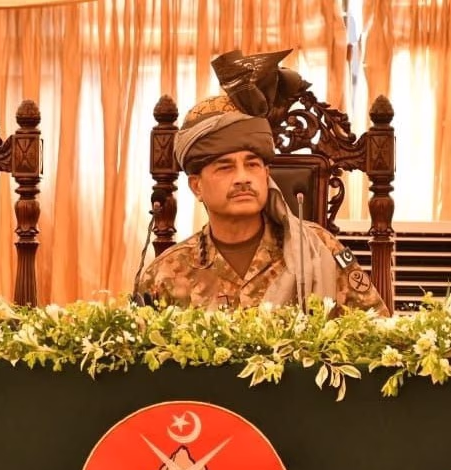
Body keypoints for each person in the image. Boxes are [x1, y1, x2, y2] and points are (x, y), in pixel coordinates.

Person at [136, 50, 387, 314]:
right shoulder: (165, 274)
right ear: (197, 186)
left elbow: (376, 329)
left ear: (266, 174)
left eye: (252, 165)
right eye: (225, 167)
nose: (242, 178)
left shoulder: (320, 249)